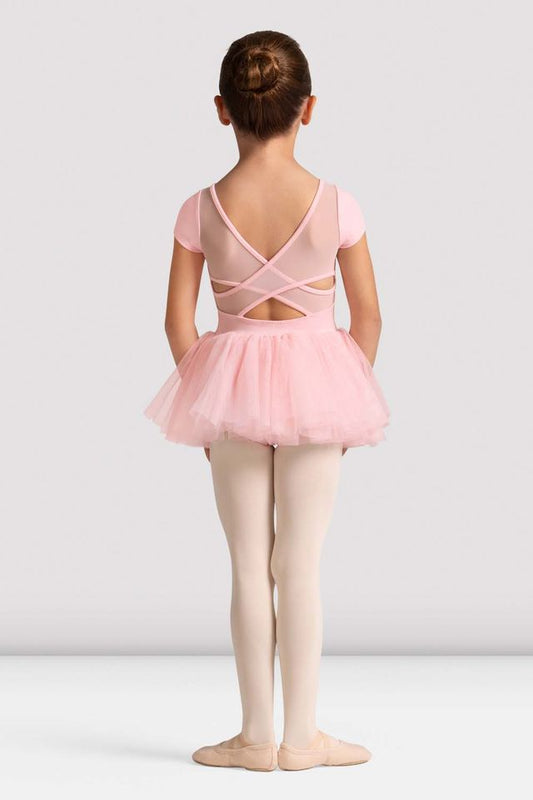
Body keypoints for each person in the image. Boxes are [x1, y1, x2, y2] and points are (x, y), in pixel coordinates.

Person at [144, 29, 390, 772]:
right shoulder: (338, 205)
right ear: (307, 107)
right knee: (300, 565)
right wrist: (345, 400)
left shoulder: (199, 208)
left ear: (223, 108)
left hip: (230, 387)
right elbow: (368, 318)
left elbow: (177, 323)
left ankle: (255, 738)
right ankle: (302, 739)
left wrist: (207, 406)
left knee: (249, 566)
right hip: (322, 384)